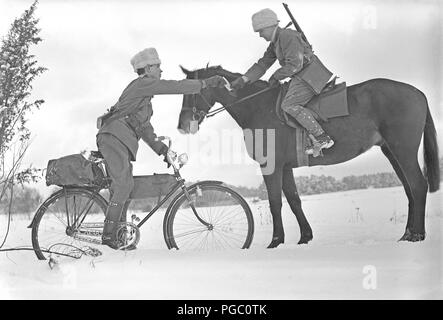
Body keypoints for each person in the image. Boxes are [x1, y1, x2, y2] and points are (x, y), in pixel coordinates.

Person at [96, 47, 225, 249]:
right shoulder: (142, 84)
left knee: (125, 187)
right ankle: (108, 239)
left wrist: (163, 151)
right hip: (114, 138)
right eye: (158, 67)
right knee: (122, 186)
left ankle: (119, 237)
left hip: (119, 140)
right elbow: (173, 86)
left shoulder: (144, 102)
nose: (161, 71)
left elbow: (146, 130)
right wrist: (205, 83)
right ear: (148, 69)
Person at [230, 8, 334, 155]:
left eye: (261, 31)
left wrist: (275, 77)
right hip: (301, 76)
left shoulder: (287, 36)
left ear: (269, 26)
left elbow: (295, 64)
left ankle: (322, 137)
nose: (260, 35)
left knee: (289, 104)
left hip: (311, 75)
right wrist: (244, 79)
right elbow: (263, 64)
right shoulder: (275, 42)